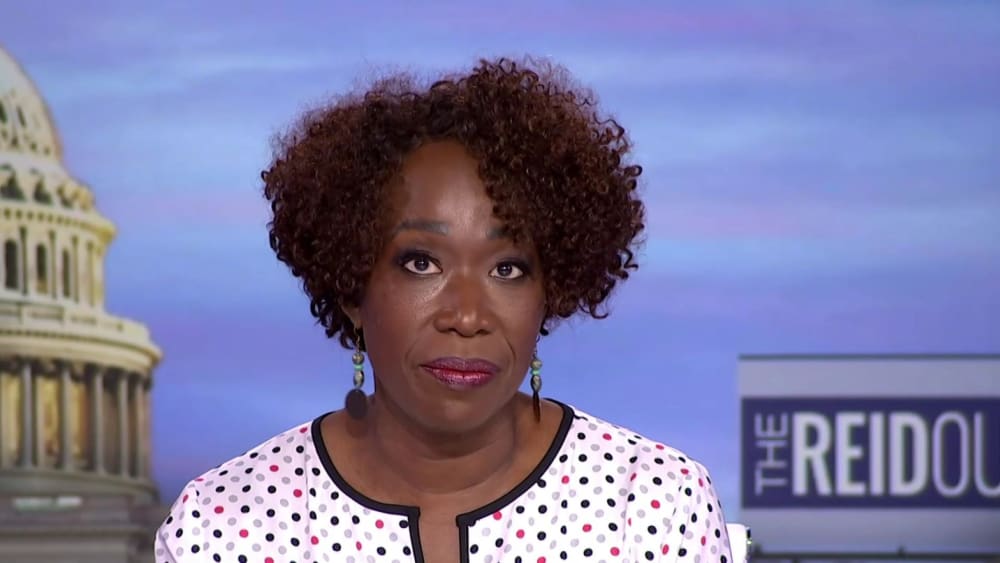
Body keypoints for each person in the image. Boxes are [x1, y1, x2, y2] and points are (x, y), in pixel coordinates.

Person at [155, 57, 732, 563]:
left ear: (551, 292)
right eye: (421, 263)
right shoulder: (222, 526)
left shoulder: (651, 504)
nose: (467, 315)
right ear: (351, 286)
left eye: (508, 269)